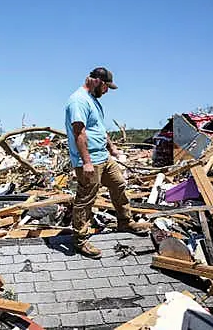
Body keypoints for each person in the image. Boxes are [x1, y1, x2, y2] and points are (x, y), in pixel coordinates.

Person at [64, 67, 150, 258]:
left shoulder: (92, 100)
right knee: (86, 198)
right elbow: (79, 132)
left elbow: (99, 129)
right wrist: (86, 162)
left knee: (118, 184)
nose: (107, 91)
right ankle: (80, 239)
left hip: (103, 156)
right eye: (106, 87)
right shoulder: (78, 101)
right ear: (97, 82)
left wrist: (111, 148)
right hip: (90, 160)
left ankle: (125, 221)